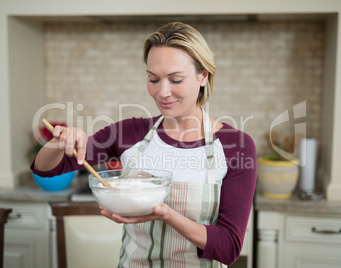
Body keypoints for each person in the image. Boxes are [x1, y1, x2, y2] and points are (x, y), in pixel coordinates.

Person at [32, 22, 256, 267]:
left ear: (203, 75)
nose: (163, 92)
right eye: (153, 79)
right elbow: (46, 169)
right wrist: (59, 141)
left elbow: (228, 247)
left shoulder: (237, 146)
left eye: (176, 79)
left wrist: (166, 214)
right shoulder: (130, 133)